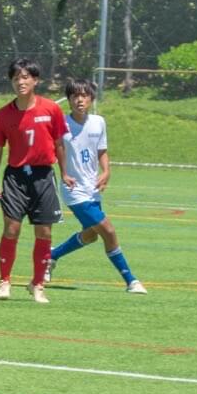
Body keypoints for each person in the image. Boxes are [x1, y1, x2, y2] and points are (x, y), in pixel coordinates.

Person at [48, 80, 147, 294]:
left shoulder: (98, 122)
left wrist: (106, 171)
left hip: (92, 188)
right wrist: (63, 173)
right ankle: (131, 281)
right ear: (69, 100)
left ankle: (52, 256)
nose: (79, 100)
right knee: (108, 231)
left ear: (91, 99)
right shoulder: (61, 123)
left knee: (91, 235)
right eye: (75, 96)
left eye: (84, 96)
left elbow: (101, 151)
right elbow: (58, 149)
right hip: (74, 190)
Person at [0, 57, 71, 303]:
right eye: (16, 78)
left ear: (35, 80)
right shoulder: (3, 114)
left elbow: (59, 143)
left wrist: (65, 173)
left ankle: (38, 284)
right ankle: (4, 281)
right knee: (11, 228)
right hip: (15, 177)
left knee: (44, 231)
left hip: (43, 176)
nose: (20, 82)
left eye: (25, 77)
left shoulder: (51, 109)